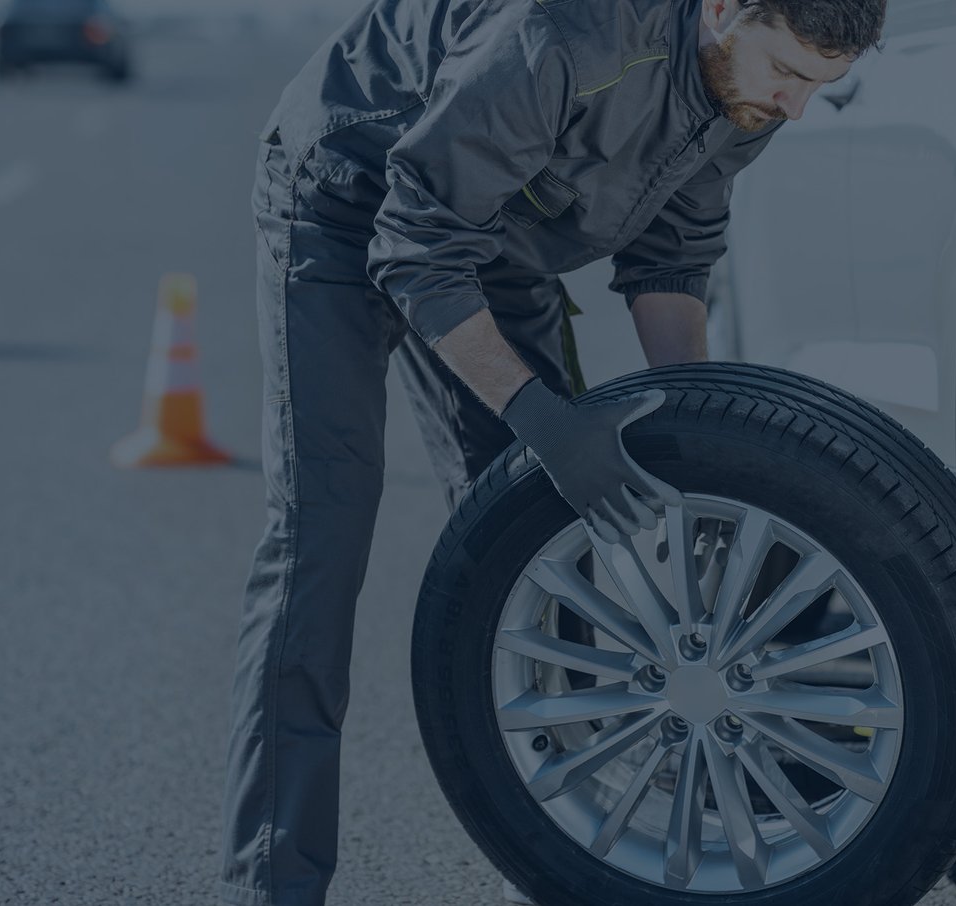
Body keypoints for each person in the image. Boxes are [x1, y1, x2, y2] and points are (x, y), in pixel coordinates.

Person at [220, 1, 887, 904]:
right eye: (790, 72)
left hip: (493, 239)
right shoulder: (566, 34)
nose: (797, 105)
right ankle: (272, 885)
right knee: (321, 546)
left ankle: (554, 856)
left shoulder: (747, 94)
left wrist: (705, 451)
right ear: (727, 9)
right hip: (344, 199)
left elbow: (671, 257)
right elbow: (415, 243)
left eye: (822, 84)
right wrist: (543, 418)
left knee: (537, 539)